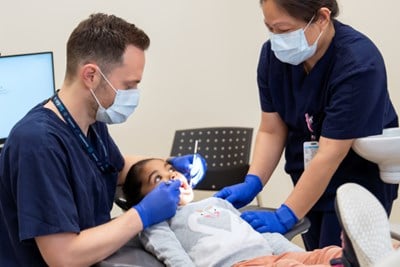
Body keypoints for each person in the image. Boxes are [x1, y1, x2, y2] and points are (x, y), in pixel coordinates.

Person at [0, 13, 205, 266]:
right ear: (91, 76)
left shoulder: (88, 121)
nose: (134, 95)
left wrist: (167, 165)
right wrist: (141, 215)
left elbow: (112, 169)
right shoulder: (38, 143)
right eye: (129, 85)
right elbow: (63, 256)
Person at [214, 0, 399, 251]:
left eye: (284, 30)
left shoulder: (359, 63)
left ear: (322, 18)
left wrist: (285, 215)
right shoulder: (273, 57)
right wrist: (253, 181)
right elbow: (272, 129)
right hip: (307, 181)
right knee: (313, 256)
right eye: (270, 29)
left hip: (356, 185)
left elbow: (330, 153)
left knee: (335, 257)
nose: (277, 39)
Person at [122, 158, 396, 267]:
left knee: (325, 254)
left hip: (270, 256)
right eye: (158, 180)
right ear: (144, 201)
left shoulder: (218, 203)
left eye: (171, 170)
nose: (172, 178)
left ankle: (373, 256)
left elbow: (264, 239)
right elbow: (174, 256)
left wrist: (306, 257)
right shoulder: (156, 221)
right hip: (239, 266)